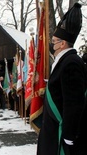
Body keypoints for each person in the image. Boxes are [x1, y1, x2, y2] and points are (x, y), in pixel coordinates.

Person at [37, 3, 87, 155]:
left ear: (63, 43)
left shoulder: (71, 62)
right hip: (52, 130)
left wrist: (68, 135)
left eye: (54, 42)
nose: (52, 44)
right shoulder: (65, 61)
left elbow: (73, 103)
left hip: (61, 136)